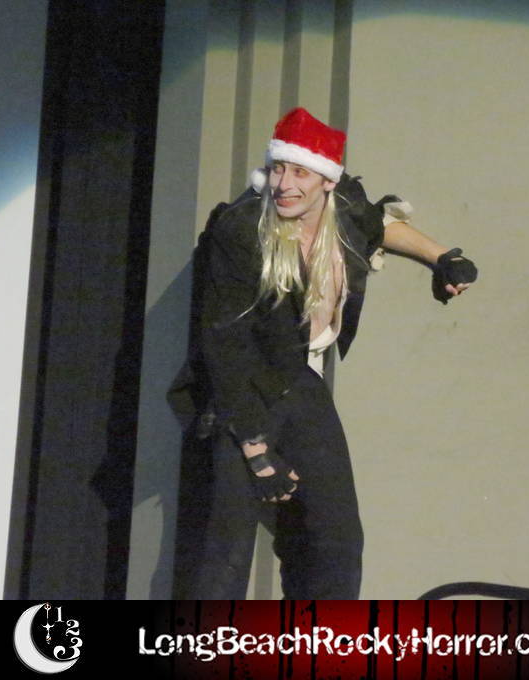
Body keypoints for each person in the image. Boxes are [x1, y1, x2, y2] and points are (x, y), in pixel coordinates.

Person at [173, 107, 477, 599]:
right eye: (278, 169)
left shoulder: (346, 207)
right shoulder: (243, 229)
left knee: (336, 541)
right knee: (225, 552)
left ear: (327, 181)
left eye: (299, 172)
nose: (284, 184)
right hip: (239, 390)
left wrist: (443, 258)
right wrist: (256, 450)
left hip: (296, 380)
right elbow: (224, 348)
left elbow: (379, 226)